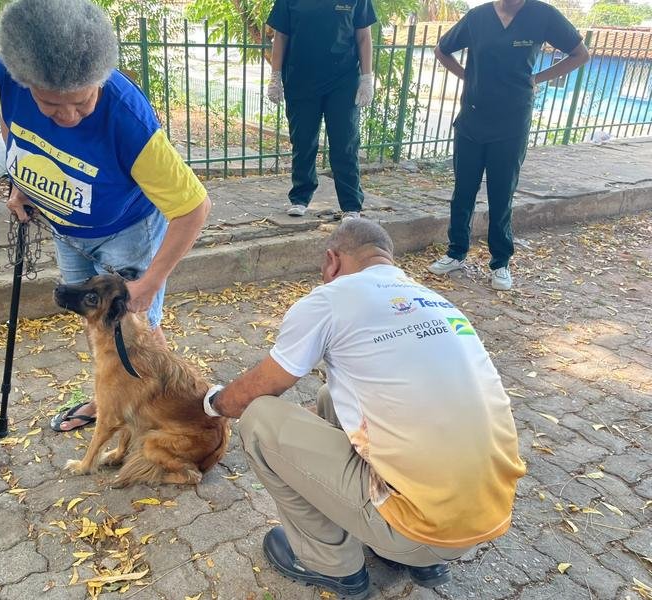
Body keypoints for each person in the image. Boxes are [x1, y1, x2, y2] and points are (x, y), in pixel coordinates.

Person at [202, 220, 526, 599]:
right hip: (485, 518)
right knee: (329, 396)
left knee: (259, 419)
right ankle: (418, 560)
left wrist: (211, 404)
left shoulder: (331, 299)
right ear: (386, 259)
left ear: (331, 261)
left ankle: (329, 562)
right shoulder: (432, 299)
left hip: (419, 529)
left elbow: (252, 394)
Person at [0, 0, 210, 431]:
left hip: (125, 232)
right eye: (52, 105)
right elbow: (12, 129)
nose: (69, 117)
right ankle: (107, 400)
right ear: (25, 82)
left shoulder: (127, 118)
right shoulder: (6, 75)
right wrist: (22, 182)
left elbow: (193, 207)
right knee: (95, 320)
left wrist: (149, 283)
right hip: (65, 226)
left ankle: (166, 406)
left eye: (82, 101)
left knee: (138, 330)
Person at [428, 0, 589, 290]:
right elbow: (442, 50)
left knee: (501, 193)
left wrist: (537, 79)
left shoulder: (542, 15)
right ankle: (456, 253)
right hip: (473, 118)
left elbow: (580, 54)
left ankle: (500, 261)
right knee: (463, 191)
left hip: (512, 121)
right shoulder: (478, 17)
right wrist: (468, 77)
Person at [265, 0, 376, 221]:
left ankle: (351, 205)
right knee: (303, 141)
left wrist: (366, 78)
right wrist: (275, 76)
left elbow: (363, 36)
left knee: (345, 144)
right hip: (301, 80)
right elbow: (281, 36)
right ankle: (300, 197)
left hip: (343, 81)